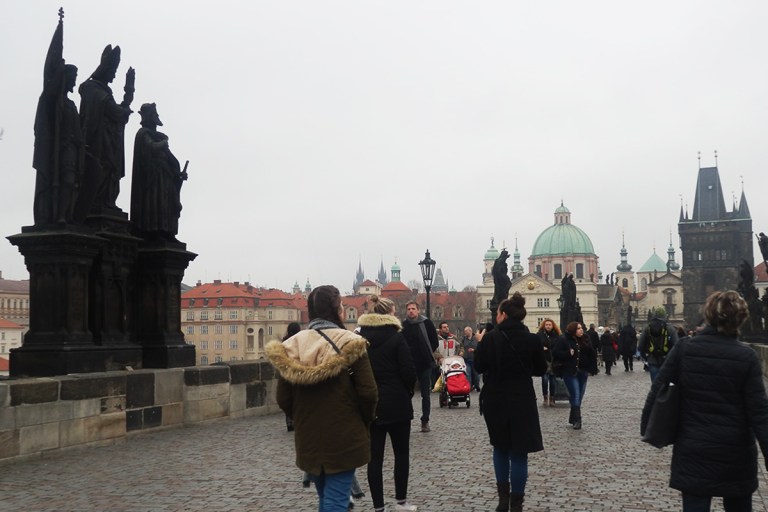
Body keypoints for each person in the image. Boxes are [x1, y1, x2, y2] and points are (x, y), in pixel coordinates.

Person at [641, 290, 768, 512]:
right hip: (735, 450)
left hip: (693, 445)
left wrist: (648, 427)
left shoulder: (685, 348)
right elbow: (760, 412)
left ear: (708, 315)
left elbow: (659, 387)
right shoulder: (746, 356)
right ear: (740, 318)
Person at [266, 285, 378, 512]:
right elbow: (368, 392)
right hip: (345, 434)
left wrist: (303, 417)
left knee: (327, 497)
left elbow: (283, 398)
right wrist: (364, 420)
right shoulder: (351, 342)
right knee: (336, 500)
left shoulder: (292, 345)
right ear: (337, 310)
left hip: (309, 437)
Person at [475, 292, 547, 512]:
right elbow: (540, 369)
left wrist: (480, 344)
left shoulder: (490, 338)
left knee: (500, 448)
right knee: (519, 453)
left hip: (495, 398)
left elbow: (479, 367)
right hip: (522, 399)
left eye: (497, 313)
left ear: (503, 315)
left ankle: (502, 500)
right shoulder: (533, 339)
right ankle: (517, 503)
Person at [358, 295, 418, 512]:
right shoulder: (397, 337)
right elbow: (409, 371)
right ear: (389, 314)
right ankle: (401, 502)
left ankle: (378, 507)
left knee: (374, 459)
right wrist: (407, 390)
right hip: (398, 403)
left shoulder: (360, 338)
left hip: (371, 403)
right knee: (401, 454)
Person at [33, 11, 83, 225]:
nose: (74, 82)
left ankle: (67, 214)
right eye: (72, 78)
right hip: (61, 149)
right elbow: (50, 96)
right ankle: (60, 216)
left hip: (74, 149)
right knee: (66, 180)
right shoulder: (57, 103)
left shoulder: (71, 104)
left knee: (72, 184)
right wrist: (58, 73)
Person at [75, 44, 134, 220]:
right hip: (96, 141)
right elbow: (114, 111)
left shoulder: (103, 90)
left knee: (111, 168)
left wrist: (128, 93)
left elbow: (118, 114)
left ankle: (107, 201)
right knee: (103, 166)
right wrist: (124, 106)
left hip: (109, 140)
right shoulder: (92, 88)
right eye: (112, 71)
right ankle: (95, 201)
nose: (114, 75)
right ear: (104, 69)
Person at [130, 103, 188, 241]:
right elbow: (151, 147)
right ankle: (154, 232)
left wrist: (178, 174)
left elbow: (170, 159)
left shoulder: (159, 136)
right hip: (153, 178)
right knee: (155, 203)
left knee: (168, 204)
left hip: (166, 176)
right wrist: (164, 142)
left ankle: (168, 232)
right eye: (152, 115)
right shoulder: (144, 134)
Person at [401, 301, 438, 433]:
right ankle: (406, 419)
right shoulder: (403, 325)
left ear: (418, 310)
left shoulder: (426, 323)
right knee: (407, 393)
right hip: (409, 364)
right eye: (409, 309)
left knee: (425, 394)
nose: (411, 311)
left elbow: (434, 341)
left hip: (425, 362)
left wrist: (427, 352)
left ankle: (425, 420)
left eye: (413, 309)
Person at [552, 322, 598, 430]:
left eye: (581, 328)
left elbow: (592, 354)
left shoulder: (586, 338)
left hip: (583, 371)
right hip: (570, 372)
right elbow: (555, 353)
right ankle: (578, 420)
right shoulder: (564, 339)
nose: (581, 330)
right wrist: (568, 353)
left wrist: (592, 369)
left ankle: (573, 417)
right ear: (573, 330)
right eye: (578, 329)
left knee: (579, 396)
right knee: (576, 394)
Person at [638, 307, 679, 382]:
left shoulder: (647, 328)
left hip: (652, 359)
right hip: (667, 360)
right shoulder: (670, 328)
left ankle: (656, 392)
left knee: (655, 384)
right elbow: (677, 345)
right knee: (666, 384)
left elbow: (640, 345)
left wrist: (645, 357)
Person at [282, 322, 302, 432]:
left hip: (287, 372)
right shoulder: (300, 340)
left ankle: (289, 421)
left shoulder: (285, 340)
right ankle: (296, 420)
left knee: (288, 397)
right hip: (297, 371)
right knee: (297, 397)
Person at [536, 318, 560, 406]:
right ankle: (545, 397)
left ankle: (552, 398)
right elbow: (536, 345)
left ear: (552, 325)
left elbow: (559, 345)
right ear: (544, 325)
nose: (548, 326)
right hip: (544, 360)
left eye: (550, 325)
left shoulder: (557, 335)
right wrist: (541, 348)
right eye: (546, 325)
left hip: (553, 360)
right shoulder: (540, 334)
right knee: (545, 380)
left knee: (553, 381)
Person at [459, 326, 480, 392]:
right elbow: (461, 347)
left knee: (476, 374)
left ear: (470, 331)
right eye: (464, 331)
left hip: (475, 359)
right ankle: (469, 387)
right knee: (468, 374)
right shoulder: (463, 339)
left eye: (466, 331)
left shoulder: (476, 338)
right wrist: (461, 352)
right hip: (466, 359)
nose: (465, 332)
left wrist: (474, 350)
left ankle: (477, 385)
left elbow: (480, 347)